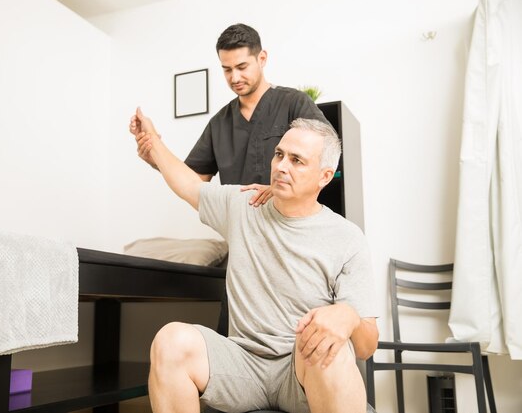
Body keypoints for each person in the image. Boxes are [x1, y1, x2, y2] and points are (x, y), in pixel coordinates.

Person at [132, 111, 378, 413]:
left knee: (332, 349)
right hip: (242, 367)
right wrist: (153, 140)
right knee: (170, 340)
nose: (281, 167)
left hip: (301, 370)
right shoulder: (244, 204)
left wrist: (349, 315)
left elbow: (366, 347)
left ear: (324, 176)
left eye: (297, 160)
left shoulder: (347, 237)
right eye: (279, 155)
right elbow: (189, 185)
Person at [130, 23, 328, 206]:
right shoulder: (219, 124)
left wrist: (278, 190)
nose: (235, 77)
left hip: (287, 224)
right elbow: (192, 181)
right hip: (240, 228)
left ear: (262, 59)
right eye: (227, 69)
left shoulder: (294, 103)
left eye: (242, 67)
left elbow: (325, 157)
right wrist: (154, 153)